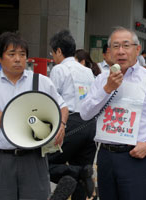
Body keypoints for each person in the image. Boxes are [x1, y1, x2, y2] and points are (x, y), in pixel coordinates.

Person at [80, 27, 146, 200]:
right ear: (109, 52)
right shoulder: (102, 79)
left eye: (126, 46)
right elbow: (85, 114)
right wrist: (107, 89)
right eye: (115, 46)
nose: (121, 52)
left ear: (137, 49)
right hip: (106, 157)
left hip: (137, 156)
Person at [0, 32, 69, 200]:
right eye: (11, 54)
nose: (18, 59)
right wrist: (33, 121)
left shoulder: (41, 82)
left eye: (22, 54)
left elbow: (61, 107)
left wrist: (61, 124)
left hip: (33, 158)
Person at [49, 30, 96, 199]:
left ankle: (79, 171)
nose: (53, 56)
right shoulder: (87, 71)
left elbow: (52, 101)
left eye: (52, 52)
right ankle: (82, 173)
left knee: (45, 162)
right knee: (82, 177)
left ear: (59, 51)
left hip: (71, 122)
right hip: (90, 124)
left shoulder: (59, 69)